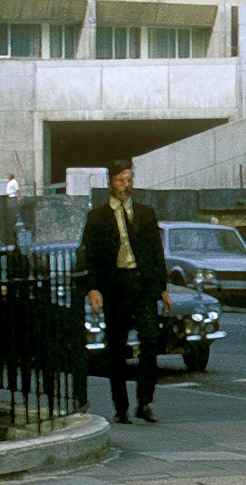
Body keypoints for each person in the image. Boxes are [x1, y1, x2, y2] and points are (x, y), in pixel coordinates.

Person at [78, 161, 168, 424]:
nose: (126, 186)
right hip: (115, 286)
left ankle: (145, 402)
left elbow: (156, 252)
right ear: (110, 184)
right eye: (120, 181)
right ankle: (121, 407)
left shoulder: (146, 213)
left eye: (129, 180)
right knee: (116, 347)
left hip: (142, 285)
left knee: (150, 340)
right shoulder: (97, 216)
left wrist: (162, 289)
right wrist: (93, 288)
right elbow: (89, 255)